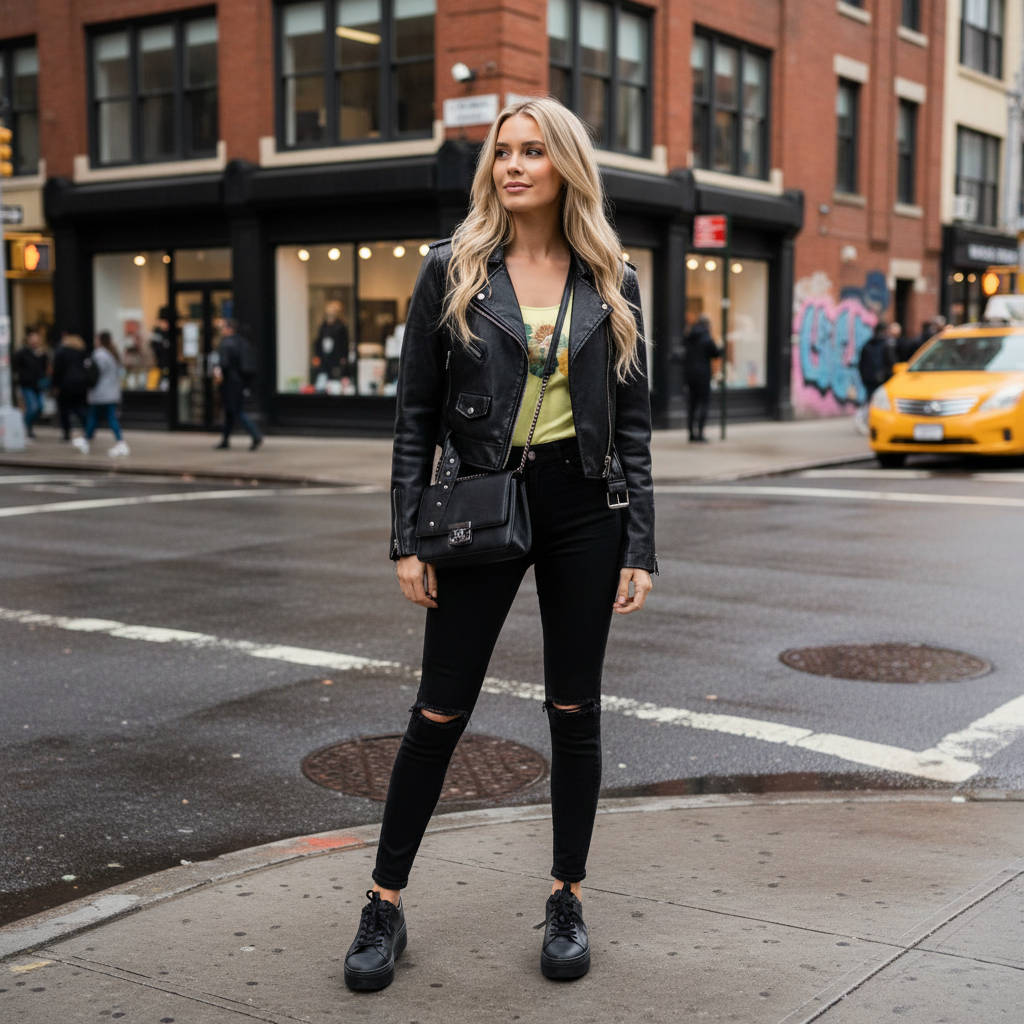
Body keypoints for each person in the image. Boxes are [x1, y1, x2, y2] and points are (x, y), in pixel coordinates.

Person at [343, 97, 656, 993]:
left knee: (575, 714)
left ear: (566, 166)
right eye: (503, 152)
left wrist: (639, 544)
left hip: (586, 507)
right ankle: (383, 904)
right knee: (439, 712)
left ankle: (566, 897)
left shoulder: (612, 278)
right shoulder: (453, 270)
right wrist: (408, 538)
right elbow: (413, 418)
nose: (512, 165)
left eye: (532, 152)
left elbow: (632, 430)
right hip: (479, 502)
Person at [73, 331, 129, 456]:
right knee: (98, 416)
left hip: (101, 392)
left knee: (101, 416)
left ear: (99, 340)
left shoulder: (99, 355)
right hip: (112, 392)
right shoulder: (113, 354)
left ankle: (120, 442)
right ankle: (87, 439)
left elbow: (93, 374)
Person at [213, 319, 262, 450]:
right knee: (230, 411)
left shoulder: (226, 344)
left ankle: (255, 434)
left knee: (237, 410)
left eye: (224, 327)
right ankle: (225, 440)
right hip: (241, 381)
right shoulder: (243, 342)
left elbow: (224, 364)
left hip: (230, 382)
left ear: (229, 329)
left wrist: (219, 374)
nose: (222, 330)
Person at [681, 313, 723, 442]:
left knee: (692, 405)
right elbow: (715, 353)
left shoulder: (689, 337)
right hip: (703, 375)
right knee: (703, 403)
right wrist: (721, 347)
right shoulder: (706, 338)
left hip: (690, 375)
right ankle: (699, 433)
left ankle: (691, 433)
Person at [50, 332, 92, 441]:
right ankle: (88, 430)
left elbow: (57, 370)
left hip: (65, 385)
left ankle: (66, 433)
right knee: (80, 409)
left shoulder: (61, 352)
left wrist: (55, 385)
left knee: (65, 410)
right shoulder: (82, 353)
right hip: (80, 385)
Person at [12, 329, 49, 440]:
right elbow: (16, 366)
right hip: (27, 384)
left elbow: (44, 368)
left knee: (40, 407)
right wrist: (22, 377)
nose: (34, 342)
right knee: (32, 407)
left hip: (38, 384)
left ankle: (28, 424)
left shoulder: (42, 353)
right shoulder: (22, 353)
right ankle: (27, 428)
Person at [310, 300, 350, 387]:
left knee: (335, 382)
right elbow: (318, 343)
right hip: (324, 359)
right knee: (322, 379)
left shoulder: (341, 327)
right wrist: (317, 356)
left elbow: (344, 344)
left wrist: (343, 358)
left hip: (336, 360)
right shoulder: (323, 326)